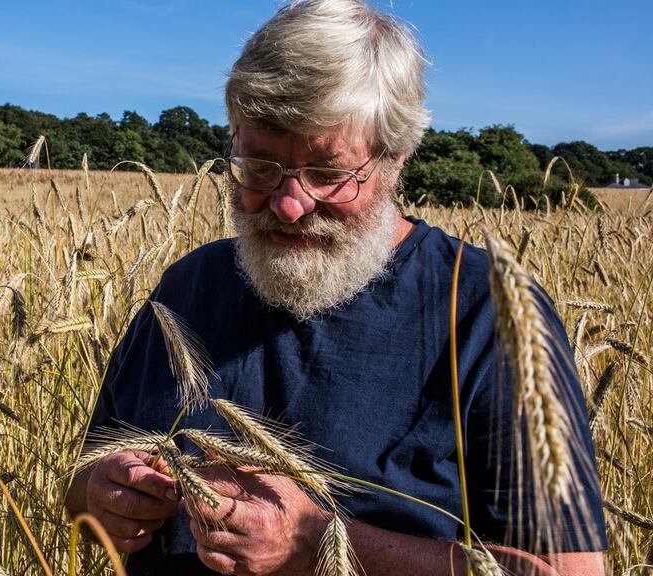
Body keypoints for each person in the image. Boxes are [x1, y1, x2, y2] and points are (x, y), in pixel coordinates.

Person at [65, 1, 607, 574]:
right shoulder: (187, 289)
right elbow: (82, 482)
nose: (289, 204)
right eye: (259, 165)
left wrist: (315, 540)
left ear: (394, 161)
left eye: (326, 175)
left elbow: (566, 571)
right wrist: (104, 495)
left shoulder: (486, 310)